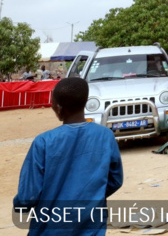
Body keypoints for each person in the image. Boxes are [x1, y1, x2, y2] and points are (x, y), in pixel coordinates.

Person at [13, 77, 123, 234]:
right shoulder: (105, 136)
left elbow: (27, 197)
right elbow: (115, 179)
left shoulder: (43, 142)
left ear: (59, 108)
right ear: (85, 102)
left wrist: (20, 206)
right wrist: (91, 197)